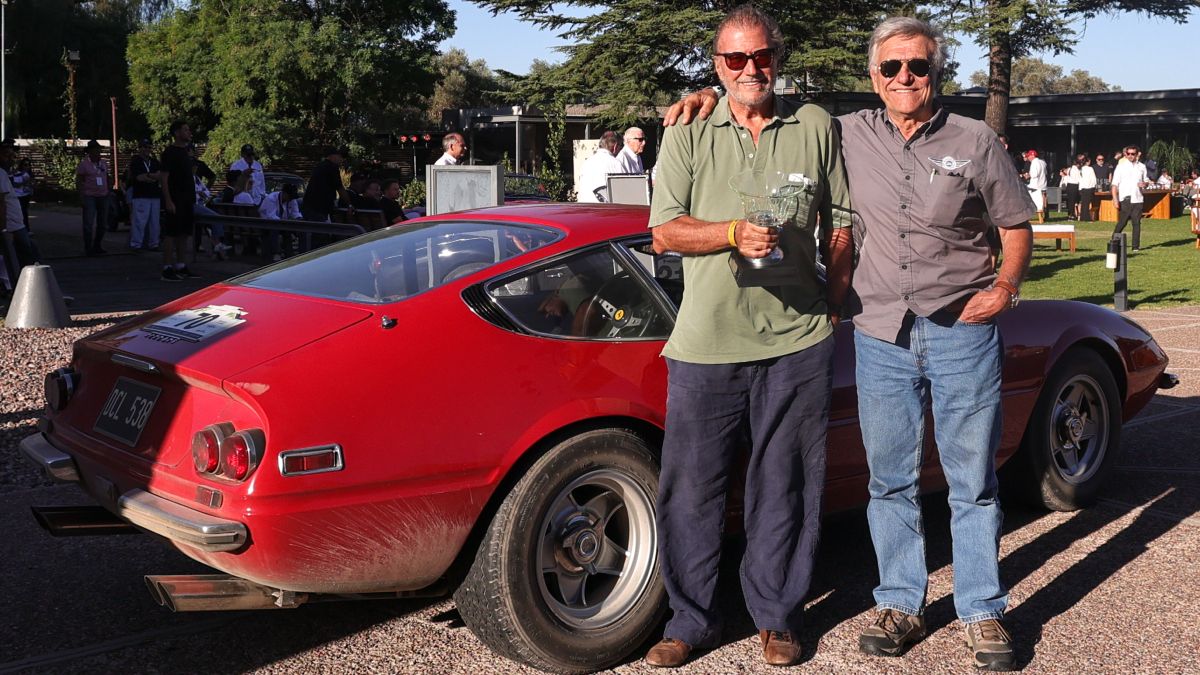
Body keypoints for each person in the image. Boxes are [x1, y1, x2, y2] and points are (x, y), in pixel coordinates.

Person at [665, 15, 1034, 671]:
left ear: (934, 72)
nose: (904, 79)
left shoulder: (973, 139)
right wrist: (704, 101)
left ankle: (982, 609)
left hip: (959, 331)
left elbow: (1016, 225)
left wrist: (1004, 287)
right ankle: (900, 602)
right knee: (888, 480)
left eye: (916, 66)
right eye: (891, 68)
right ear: (873, 76)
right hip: (880, 334)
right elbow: (746, 127)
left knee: (972, 482)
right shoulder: (846, 131)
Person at [642, 5, 853, 669]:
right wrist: (730, 232)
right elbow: (664, 230)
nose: (750, 69)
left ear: (777, 58)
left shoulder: (815, 125)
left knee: (785, 485)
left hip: (797, 344)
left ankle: (777, 616)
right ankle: (688, 620)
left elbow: (841, 221)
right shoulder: (690, 127)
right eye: (735, 59)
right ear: (717, 66)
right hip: (707, 344)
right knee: (692, 489)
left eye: (760, 56)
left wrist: (833, 304)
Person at [159, 121, 200, 282]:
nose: (189, 132)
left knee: (184, 233)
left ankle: (181, 265)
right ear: (177, 133)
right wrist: (168, 200)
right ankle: (167, 267)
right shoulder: (170, 152)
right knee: (171, 233)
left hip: (186, 199)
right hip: (174, 198)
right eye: (185, 129)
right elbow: (164, 177)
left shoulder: (185, 152)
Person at [0, 139, 37, 278]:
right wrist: (3, 228)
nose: (10, 159)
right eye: (6, 155)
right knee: (26, 253)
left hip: (15, 221)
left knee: (27, 250)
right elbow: (1, 203)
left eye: (12, 156)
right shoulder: (1, 173)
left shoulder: (6, 173)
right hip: (10, 224)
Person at [75, 139, 111, 256]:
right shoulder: (84, 164)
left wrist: (109, 190)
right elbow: (79, 180)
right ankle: (88, 247)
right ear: (89, 151)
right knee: (88, 223)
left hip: (103, 195)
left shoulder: (104, 163)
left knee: (103, 223)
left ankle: (97, 245)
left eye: (98, 149)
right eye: (95, 150)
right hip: (89, 196)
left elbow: (107, 177)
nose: (97, 152)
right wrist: (81, 196)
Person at [127, 138, 163, 252]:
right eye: (144, 147)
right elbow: (139, 177)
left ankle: (154, 243)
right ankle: (136, 244)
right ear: (140, 148)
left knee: (155, 222)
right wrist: (151, 176)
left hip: (154, 195)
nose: (147, 149)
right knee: (139, 221)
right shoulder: (135, 161)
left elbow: (160, 175)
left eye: (149, 147)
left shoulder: (154, 161)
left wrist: (148, 176)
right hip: (141, 195)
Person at [1111, 144, 1149, 251]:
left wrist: (1145, 184)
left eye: (1133, 154)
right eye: (1128, 154)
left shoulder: (1142, 167)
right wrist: (1115, 199)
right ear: (1125, 154)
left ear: (1137, 154)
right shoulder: (1121, 167)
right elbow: (1114, 184)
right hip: (1126, 198)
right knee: (1122, 222)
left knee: (1136, 223)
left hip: (1138, 198)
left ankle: (1135, 247)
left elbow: (1146, 181)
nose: (1131, 156)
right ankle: (1114, 241)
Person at [301, 146, 352, 222]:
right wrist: (349, 205)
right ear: (333, 156)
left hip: (309, 205)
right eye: (340, 156)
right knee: (319, 231)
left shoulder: (320, 166)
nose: (342, 159)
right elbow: (340, 188)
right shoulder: (332, 167)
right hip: (319, 208)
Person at [576, 131, 624, 203]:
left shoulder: (586, 162)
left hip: (584, 208)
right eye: (621, 146)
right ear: (615, 146)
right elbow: (623, 191)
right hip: (606, 210)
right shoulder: (615, 163)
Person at [1024, 149, 1047, 223]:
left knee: (1027, 199)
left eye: (1029, 156)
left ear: (1032, 155)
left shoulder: (1034, 163)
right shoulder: (1043, 162)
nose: (1028, 158)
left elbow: (1034, 174)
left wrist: (1027, 175)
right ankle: (1043, 217)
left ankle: (1028, 216)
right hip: (1043, 184)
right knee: (1043, 201)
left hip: (1035, 186)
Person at [11, 157, 33, 230]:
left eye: (28, 165)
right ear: (21, 165)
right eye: (25, 165)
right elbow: (14, 184)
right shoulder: (16, 173)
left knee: (24, 212)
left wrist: (30, 187)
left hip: (25, 195)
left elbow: (29, 185)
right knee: (19, 212)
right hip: (17, 196)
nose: (27, 166)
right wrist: (24, 182)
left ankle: (26, 229)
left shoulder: (28, 174)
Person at [1077, 153, 1097, 221]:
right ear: (1087, 162)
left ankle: (1083, 217)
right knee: (1087, 203)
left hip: (1082, 188)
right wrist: (1094, 186)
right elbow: (1093, 179)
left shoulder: (1080, 169)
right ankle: (1086, 217)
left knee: (1083, 203)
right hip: (1089, 187)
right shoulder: (1090, 168)